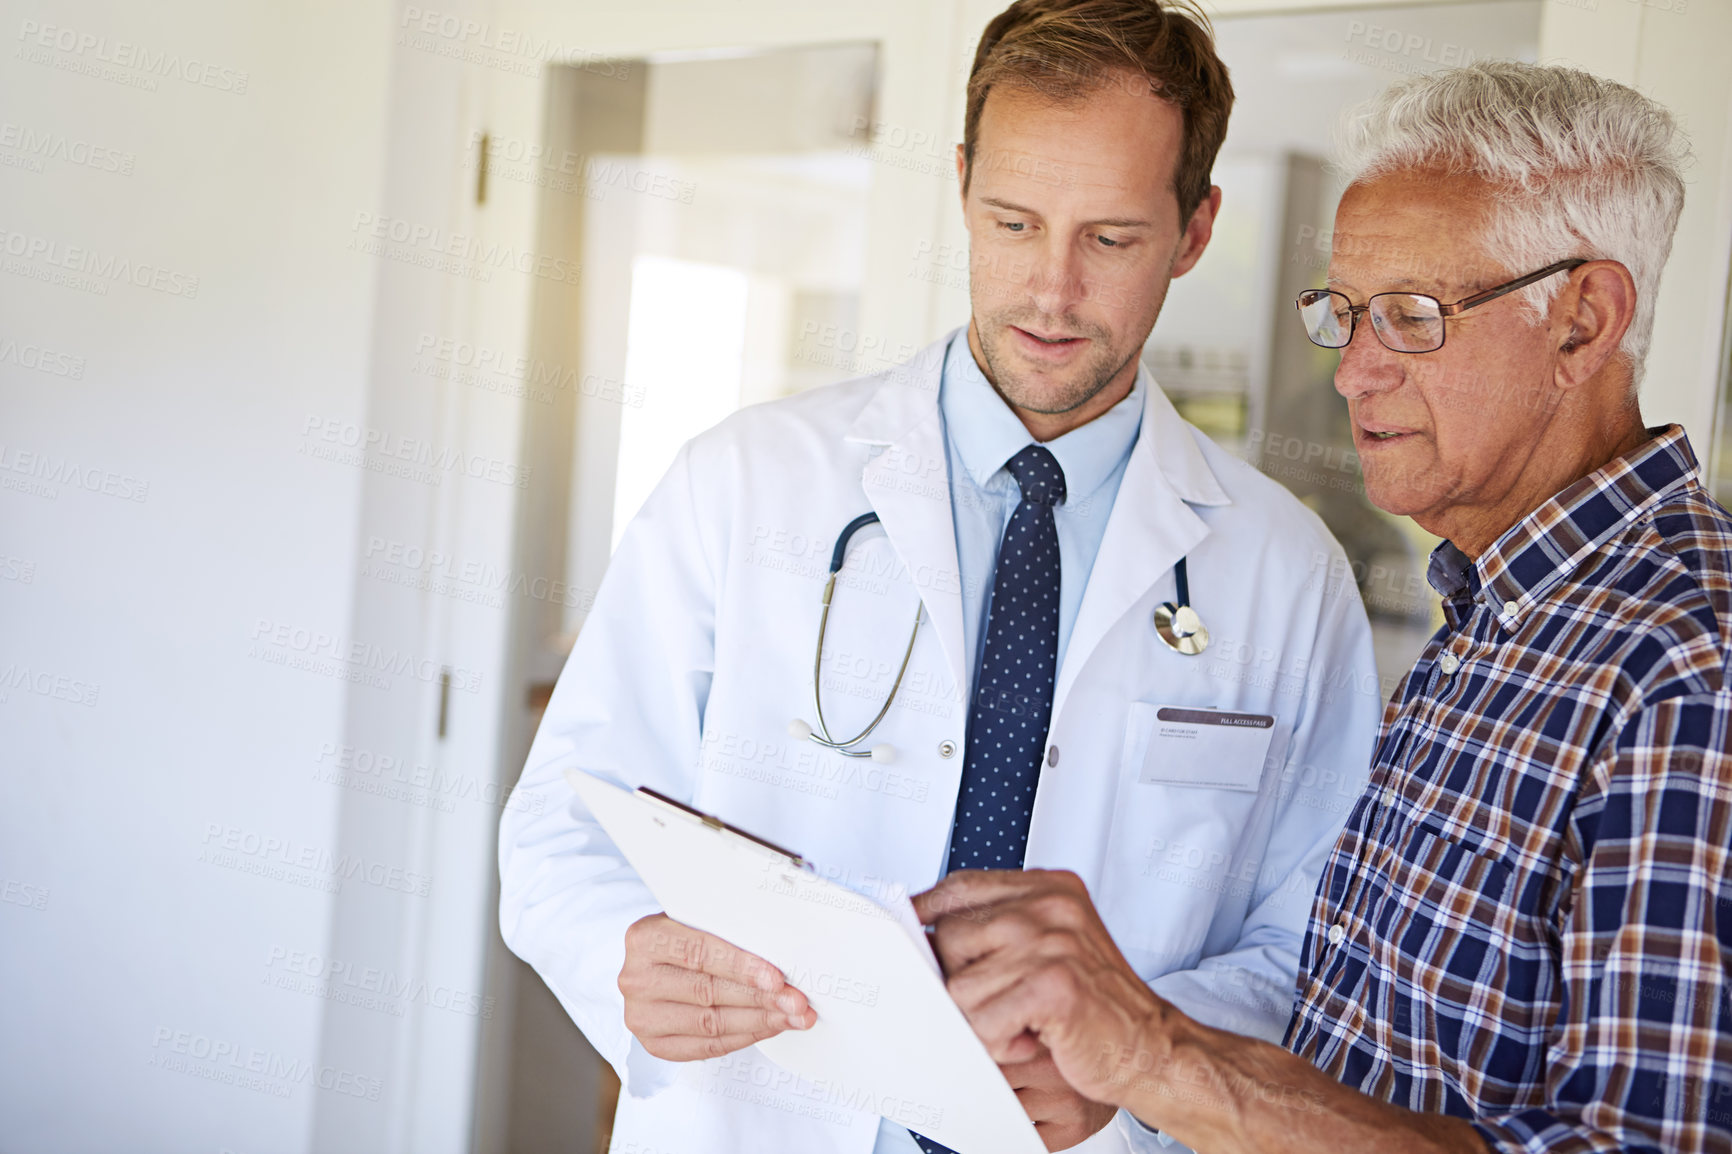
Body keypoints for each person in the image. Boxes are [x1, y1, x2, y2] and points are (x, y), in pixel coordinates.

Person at [498, 2, 1382, 1151]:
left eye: (1109, 237)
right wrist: (623, 951)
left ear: (1195, 227)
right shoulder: (747, 482)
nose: (1051, 290)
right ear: (961, 184)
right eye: (1013, 221)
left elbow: (1311, 942)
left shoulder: (1283, 570)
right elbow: (563, 825)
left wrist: (1142, 1058)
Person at [915, 59, 1732, 1153]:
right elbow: (1357, 1042)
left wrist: (1159, 1051)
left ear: (1583, 322)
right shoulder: (1493, 621)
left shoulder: (1689, 667)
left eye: (1408, 316)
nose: (1352, 374)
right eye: (1343, 314)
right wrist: (1134, 1065)